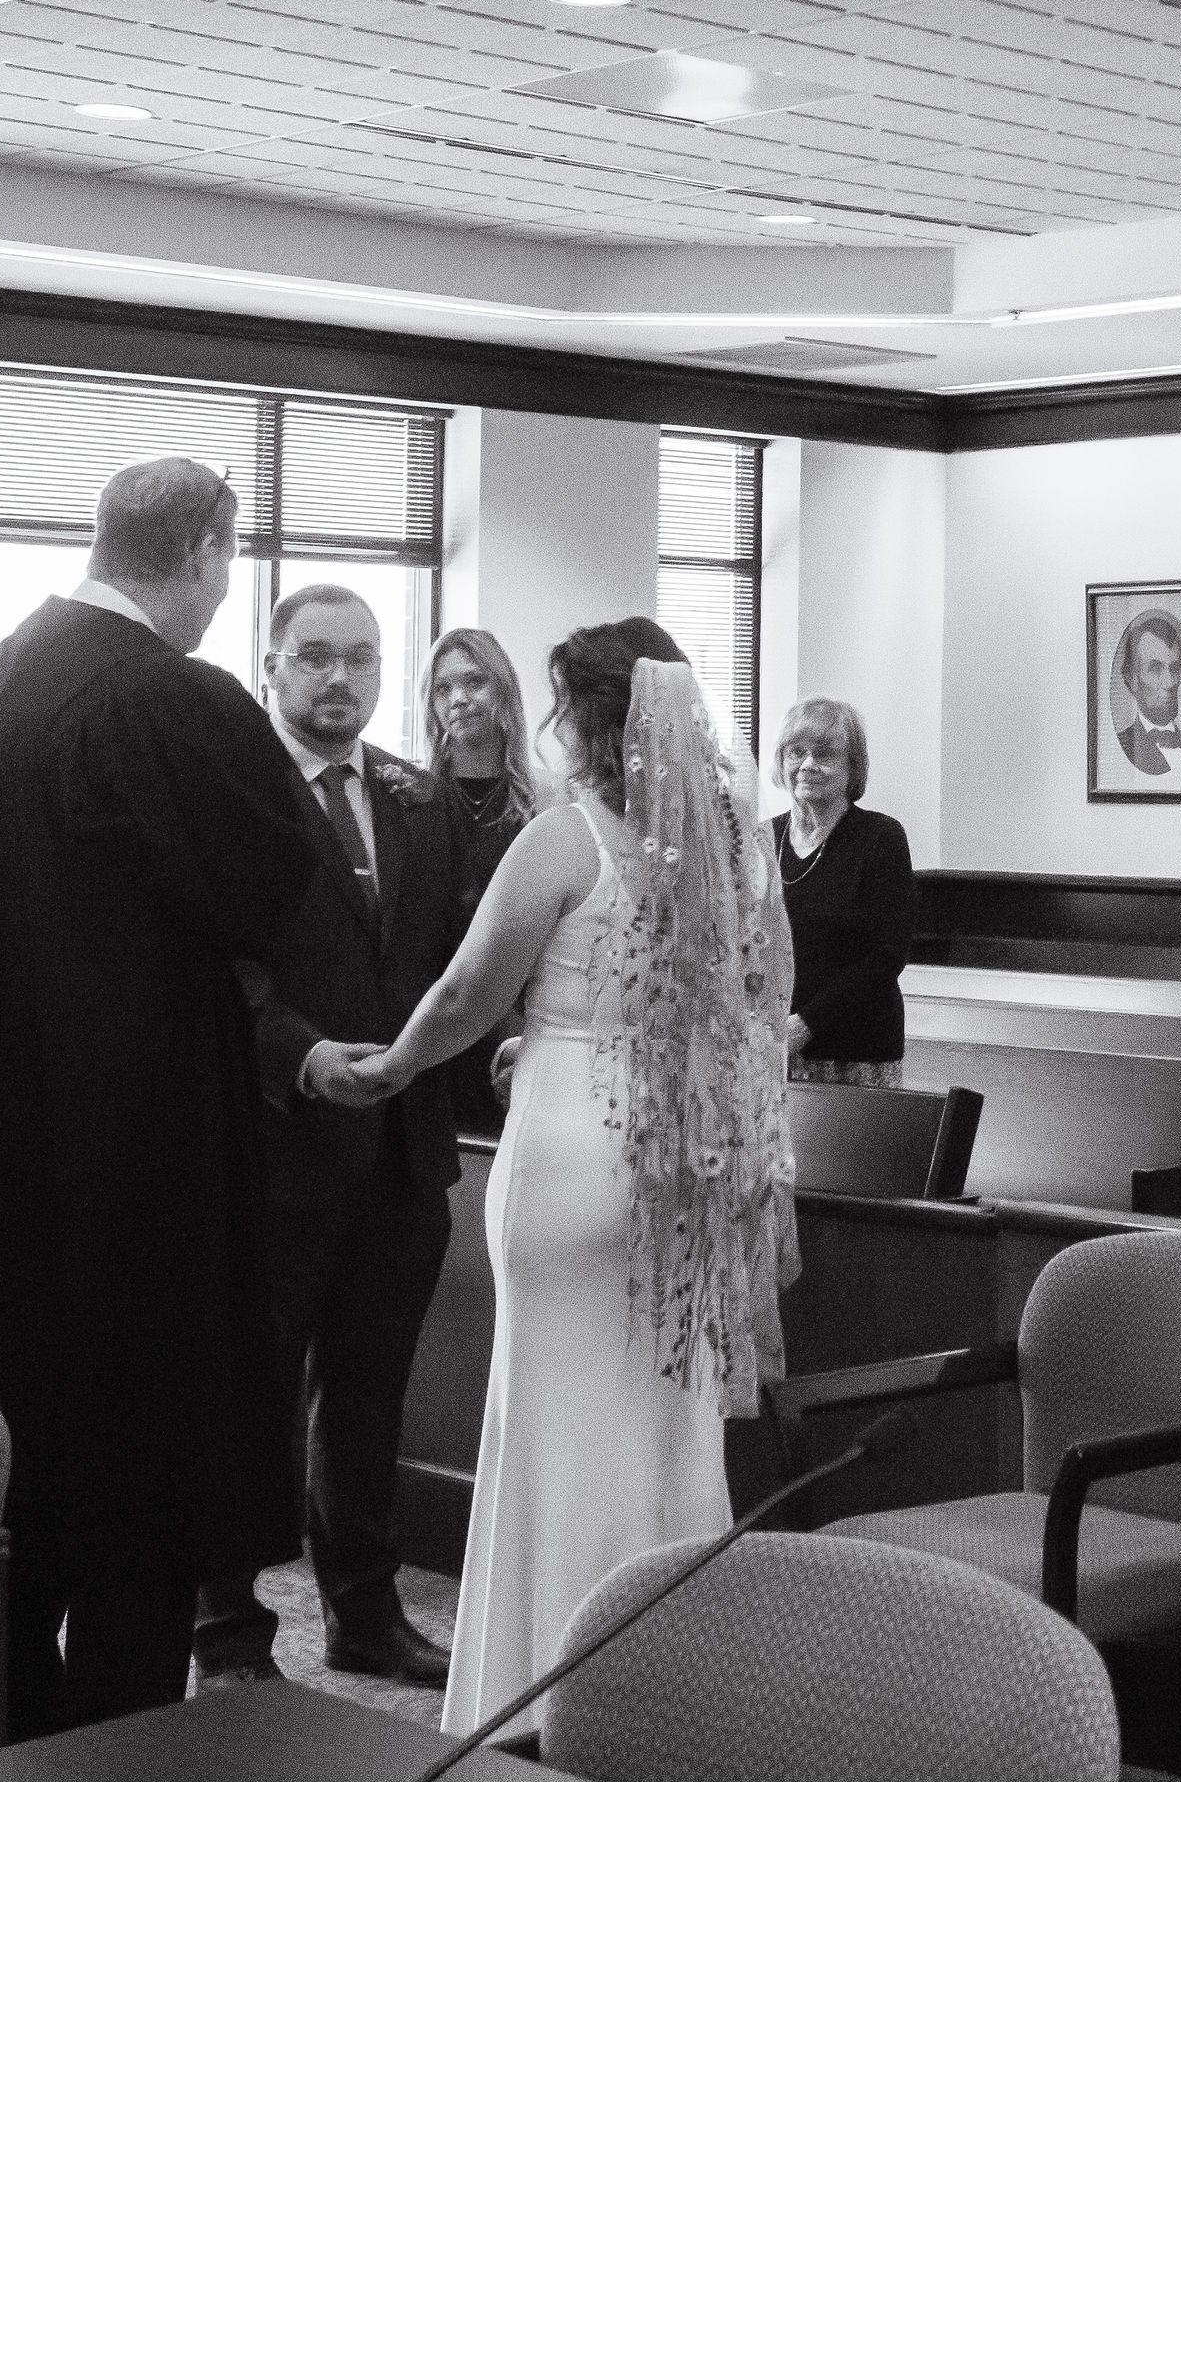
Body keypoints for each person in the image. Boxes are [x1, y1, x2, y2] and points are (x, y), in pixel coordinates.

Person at [0, 457, 322, 1737]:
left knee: (14, 1480)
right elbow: (269, 888)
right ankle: (122, 1762)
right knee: (140, 1494)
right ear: (202, 552)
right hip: (131, 1167)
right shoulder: (170, 696)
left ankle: (9, 1745)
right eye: (228, 564)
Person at [334, 622, 802, 1738]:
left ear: (591, 721)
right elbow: (746, 1013)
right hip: (681, 1164)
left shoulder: (566, 838)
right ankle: (673, 1697)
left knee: (553, 1422)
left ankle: (537, 1688)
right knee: (666, 1427)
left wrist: (393, 1068)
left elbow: (464, 992)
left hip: (572, 1158)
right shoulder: (736, 847)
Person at [194, 585, 464, 1687]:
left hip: (400, 1155)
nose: (340, 678)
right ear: (270, 666)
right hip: (272, 1146)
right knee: (249, 1398)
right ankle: (227, 1628)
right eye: (314, 657)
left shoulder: (418, 798)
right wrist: (302, 1058)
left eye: (361, 657)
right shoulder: (228, 789)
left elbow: (448, 959)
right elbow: (216, 965)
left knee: (369, 1399)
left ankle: (365, 1614)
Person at [422, 625, 542, 1133]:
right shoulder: (415, 799)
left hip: (520, 1021)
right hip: (435, 1015)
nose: (459, 698)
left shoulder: (543, 803)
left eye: (474, 682)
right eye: (443, 688)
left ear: (503, 688)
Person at [771, 693, 916, 1083]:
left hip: (857, 1051)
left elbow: (887, 955)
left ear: (853, 767)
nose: (807, 765)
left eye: (824, 754)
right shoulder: (762, 838)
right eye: (796, 752)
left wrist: (805, 1024)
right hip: (772, 1047)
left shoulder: (881, 837)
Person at [1111, 610, 1181, 780]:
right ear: (1132, 679)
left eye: (1174, 667)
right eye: (1155, 669)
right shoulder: (1121, 748)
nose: (1170, 682)